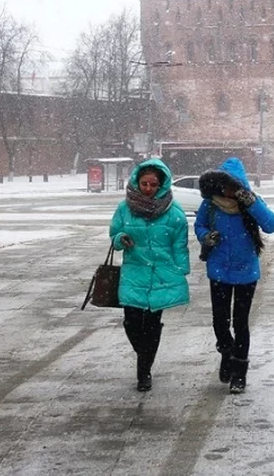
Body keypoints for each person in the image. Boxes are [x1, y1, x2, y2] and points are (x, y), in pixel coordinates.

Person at [195, 157, 274, 394]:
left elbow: (272, 225)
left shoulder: (252, 204)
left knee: (241, 323)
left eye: (233, 186)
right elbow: (199, 225)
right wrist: (205, 236)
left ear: (241, 185)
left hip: (246, 273)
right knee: (220, 322)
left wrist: (251, 203)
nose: (228, 191)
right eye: (225, 185)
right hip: (219, 271)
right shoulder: (211, 205)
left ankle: (239, 373)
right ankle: (227, 353)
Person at [109, 158, 190, 392]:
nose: (148, 189)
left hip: (162, 274)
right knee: (131, 323)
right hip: (134, 272)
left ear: (161, 184)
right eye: (144, 183)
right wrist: (119, 240)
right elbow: (114, 233)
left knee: (152, 325)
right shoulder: (124, 208)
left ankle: (144, 371)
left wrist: (180, 270)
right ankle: (144, 353)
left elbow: (179, 244)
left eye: (153, 185)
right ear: (137, 181)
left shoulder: (173, 212)